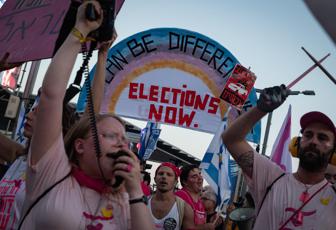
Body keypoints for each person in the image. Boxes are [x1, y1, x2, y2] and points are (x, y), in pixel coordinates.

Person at [18, 1, 153, 229]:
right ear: (80, 146)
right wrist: (80, 30)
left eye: (124, 139)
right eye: (112, 136)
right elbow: (52, 97)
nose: (122, 144)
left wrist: (136, 192)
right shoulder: (52, 172)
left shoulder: (126, 200)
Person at [0, 21, 115, 230]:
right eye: (33, 110)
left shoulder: (59, 167)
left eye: (39, 112)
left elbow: (92, 114)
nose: (30, 115)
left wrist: (102, 55)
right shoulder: (18, 157)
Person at [222, 84, 336, 229]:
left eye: (322, 138)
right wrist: (260, 109)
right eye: (308, 135)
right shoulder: (271, 178)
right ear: (297, 143)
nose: (313, 141)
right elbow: (232, 139)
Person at [148, 162, 194, 230]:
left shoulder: (185, 208)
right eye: (161, 174)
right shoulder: (143, 202)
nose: (164, 177)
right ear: (155, 179)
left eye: (169, 175)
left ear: (175, 182)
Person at [176, 164, 215, 229]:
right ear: (185, 182)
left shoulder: (199, 202)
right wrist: (205, 227)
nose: (200, 178)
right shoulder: (181, 196)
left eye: (200, 174)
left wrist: (211, 219)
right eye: (194, 176)